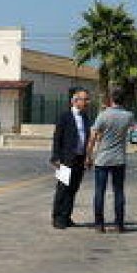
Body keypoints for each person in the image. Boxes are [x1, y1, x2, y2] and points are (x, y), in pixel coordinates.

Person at [85, 87, 135, 233]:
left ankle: (99, 224)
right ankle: (119, 224)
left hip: (102, 159)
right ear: (124, 100)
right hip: (119, 159)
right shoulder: (128, 116)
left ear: (111, 99)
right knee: (119, 192)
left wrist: (89, 156)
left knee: (99, 192)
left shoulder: (103, 115)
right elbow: (132, 129)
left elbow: (93, 137)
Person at [50, 88, 92, 229]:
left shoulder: (85, 117)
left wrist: (87, 157)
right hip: (65, 159)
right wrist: (55, 157)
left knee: (73, 189)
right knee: (62, 189)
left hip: (79, 159)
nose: (87, 102)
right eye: (84, 99)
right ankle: (57, 218)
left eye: (87, 99)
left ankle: (66, 216)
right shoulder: (65, 116)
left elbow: (87, 138)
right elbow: (57, 137)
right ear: (75, 101)